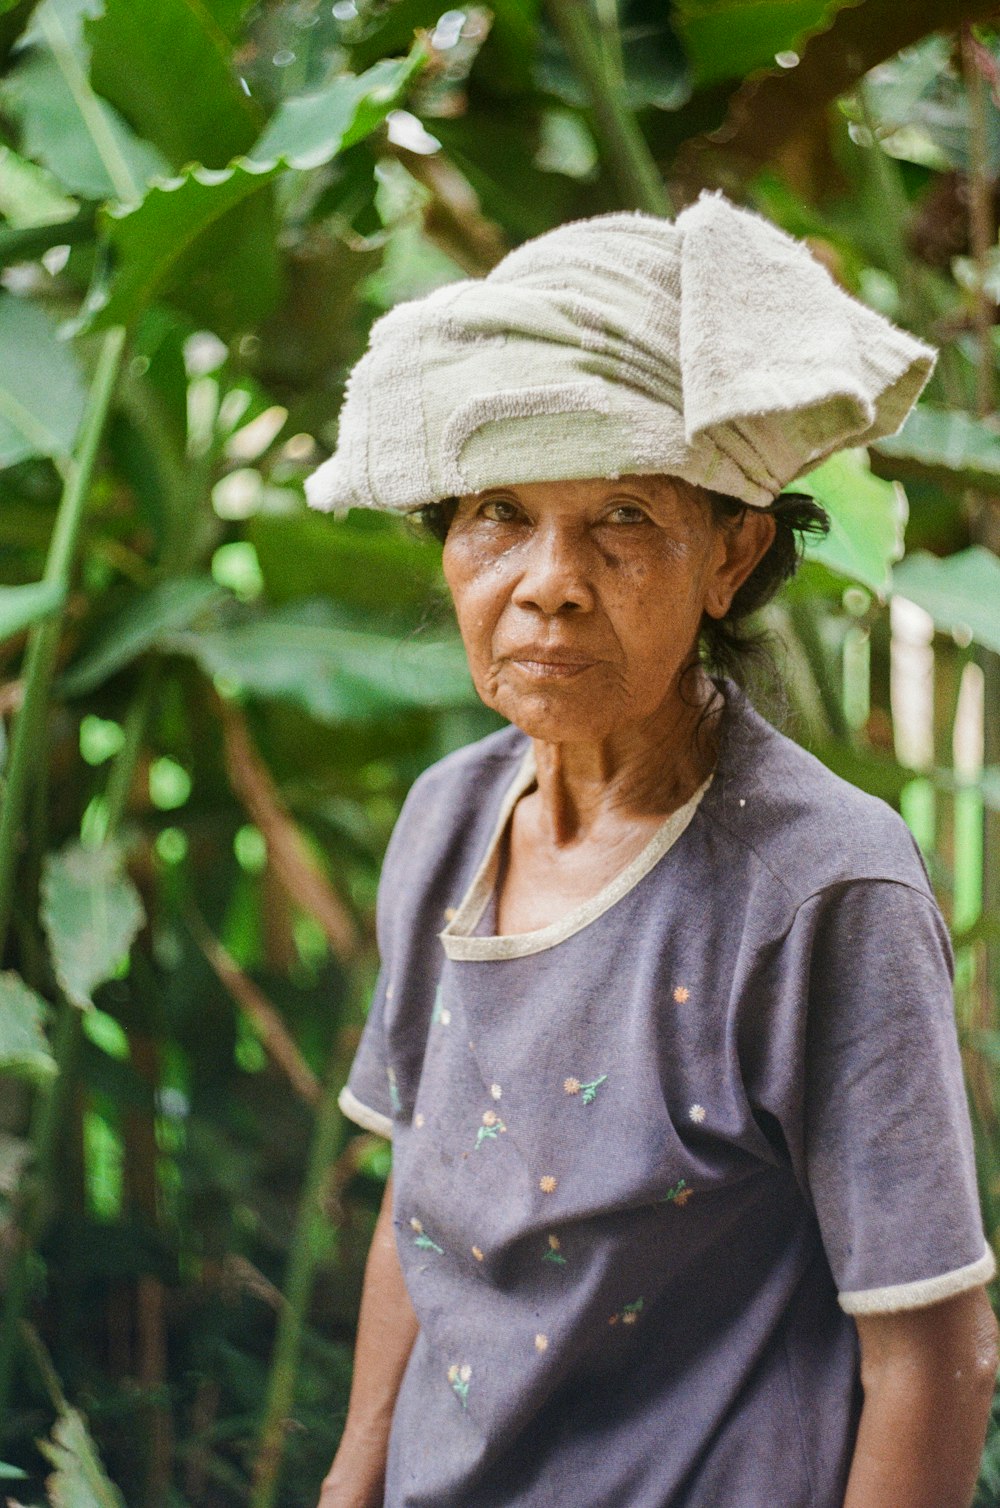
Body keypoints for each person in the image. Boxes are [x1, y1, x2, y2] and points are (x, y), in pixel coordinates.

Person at [305, 193, 999, 1508]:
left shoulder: (821, 891)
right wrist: (349, 1487)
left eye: (623, 516)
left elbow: (933, 1356)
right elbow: (422, 1199)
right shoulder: (446, 821)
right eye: (498, 512)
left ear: (733, 554)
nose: (549, 580)